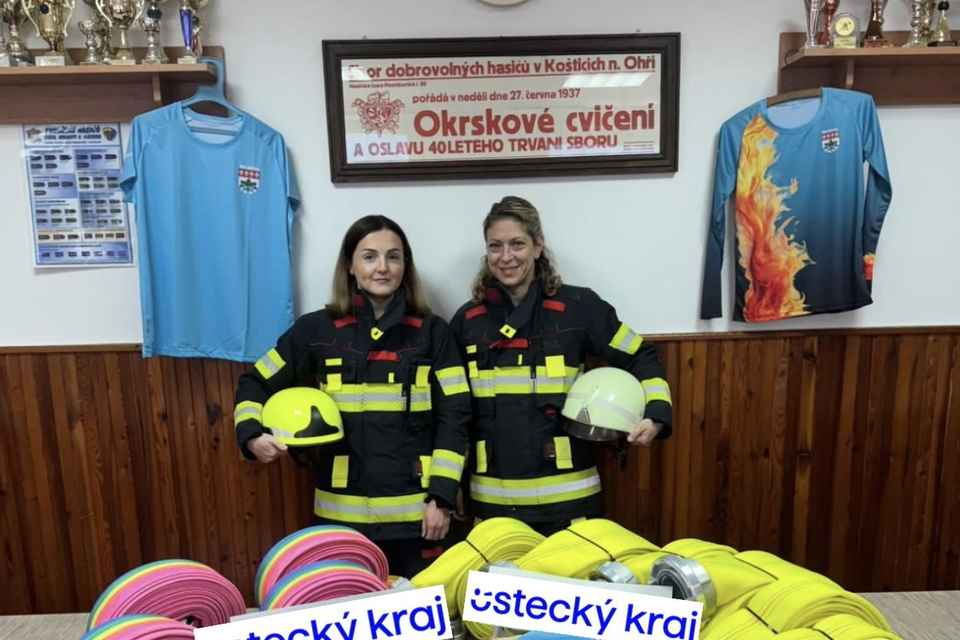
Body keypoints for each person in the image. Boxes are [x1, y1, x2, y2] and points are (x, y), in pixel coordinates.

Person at [234, 215, 471, 577]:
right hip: (339, 522)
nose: (382, 267)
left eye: (393, 257)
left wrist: (442, 497)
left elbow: (456, 416)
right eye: (369, 256)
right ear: (350, 266)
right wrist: (251, 435)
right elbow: (255, 382)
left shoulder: (433, 333)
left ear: (405, 267)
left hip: (419, 522)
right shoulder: (315, 331)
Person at [449, 196, 673, 536]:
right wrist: (448, 487)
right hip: (492, 508)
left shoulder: (580, 308)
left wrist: (656, 414)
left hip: (570, 507)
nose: (506, 257)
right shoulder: (467, 321)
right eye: (495, 246)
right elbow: (452, 412)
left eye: (517, 244)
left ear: (538, 246)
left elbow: (641, 355)